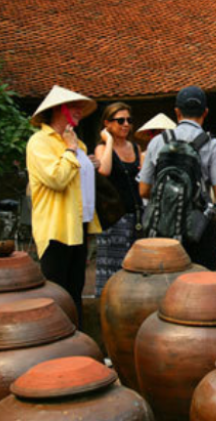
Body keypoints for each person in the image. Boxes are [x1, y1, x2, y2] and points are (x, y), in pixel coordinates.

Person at [137, 86, 216, 269]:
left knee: (164, 280)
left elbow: (143, 190)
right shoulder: (212, 144)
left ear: (177, 112)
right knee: (201, 283)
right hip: (197, 228)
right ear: (205, 112)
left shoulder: (158, 141)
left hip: (161, 227)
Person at [26, 85, 101, 323]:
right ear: (59, 110)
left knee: (75, 291)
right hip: (55, 228)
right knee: (56, 295)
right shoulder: (39, 142)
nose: (79, 111)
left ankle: (78, 347)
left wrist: (85, 161)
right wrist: (70, 151)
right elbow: (56, 179)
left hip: (79, 226)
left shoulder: (79, 144)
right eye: (73, 107)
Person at [93, 102, 140, 297]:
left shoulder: (136, 148)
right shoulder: (102, 149)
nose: (126, 124)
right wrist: (109, 141)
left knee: (135, 269)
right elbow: (104, 170)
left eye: (129, 120)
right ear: (107, 124)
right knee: (111, 271)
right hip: (113, 218)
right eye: (120, 120)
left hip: (136, 215)